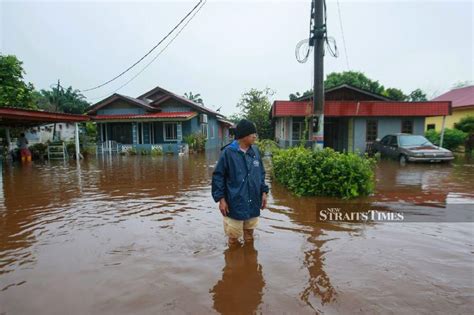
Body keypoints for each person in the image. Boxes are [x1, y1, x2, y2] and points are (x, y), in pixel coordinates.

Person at [211, 119, 269, 246]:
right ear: (243, 136)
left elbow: (261, 174)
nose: (255, 136)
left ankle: (249, 262)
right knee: (233, 239)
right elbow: (218, 177)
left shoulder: (255, 152)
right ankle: (234, 264)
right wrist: (221, 200)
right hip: (234, 204)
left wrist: (264, 192)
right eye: (252, 134)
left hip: (253, 202)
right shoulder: (228, 153)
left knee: (249, 236)